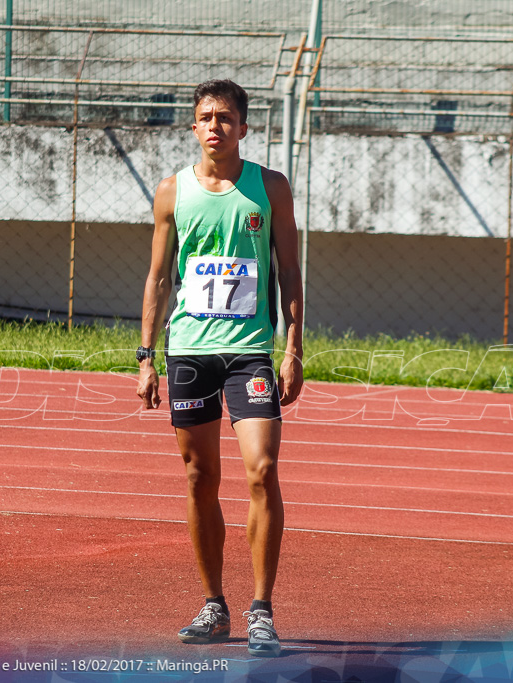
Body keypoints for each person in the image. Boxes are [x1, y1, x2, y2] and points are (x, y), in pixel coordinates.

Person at [136, 79, 304, 657]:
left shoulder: (271, 188)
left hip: (251, 351)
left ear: (244, 127)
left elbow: (290, 273)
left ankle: (261, 608)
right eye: (206, 117)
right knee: (198, 477)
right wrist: (145, 357)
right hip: (187, 351)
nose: (215, 126)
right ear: (193, 126)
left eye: (226, 118)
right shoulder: (171, 192)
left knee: (261, 469)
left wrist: (293, 348)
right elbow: (159, 278)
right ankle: (214, 604)